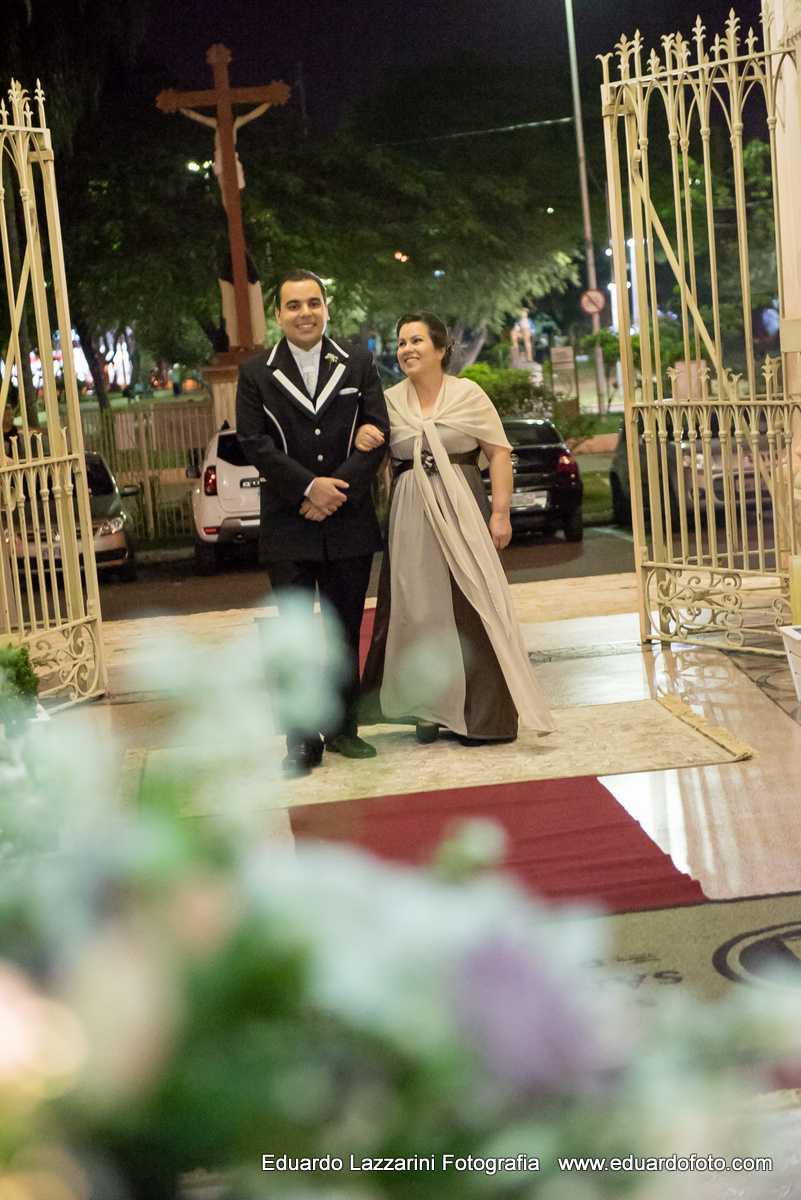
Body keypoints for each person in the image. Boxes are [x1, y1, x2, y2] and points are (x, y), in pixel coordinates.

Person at [358, 311, 555, 744]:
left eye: (416, 341)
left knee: (472, 605)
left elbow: (498, 453)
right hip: (411, 516)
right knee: (418, 609)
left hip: (463, 509)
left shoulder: (468, 395)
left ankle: (481, 716)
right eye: (401, 342)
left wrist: (499, 513)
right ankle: (426, 708)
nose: (407, 349)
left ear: (441, 349)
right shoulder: (389, 402)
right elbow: (375, 456)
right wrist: (363, 439)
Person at [236, 268, 390, 776]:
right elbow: (254, 442)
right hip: (289, 523)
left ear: (326, 308)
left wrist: (333, 490)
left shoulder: (358, 361)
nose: (305, 313)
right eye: (294, 305)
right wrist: (308, 488)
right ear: (278, 314)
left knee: (346, 631)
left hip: (348, 521)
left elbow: (379, 431)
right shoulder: (256, 371)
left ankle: (346, 728)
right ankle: (301, 740)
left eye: (313, 303)